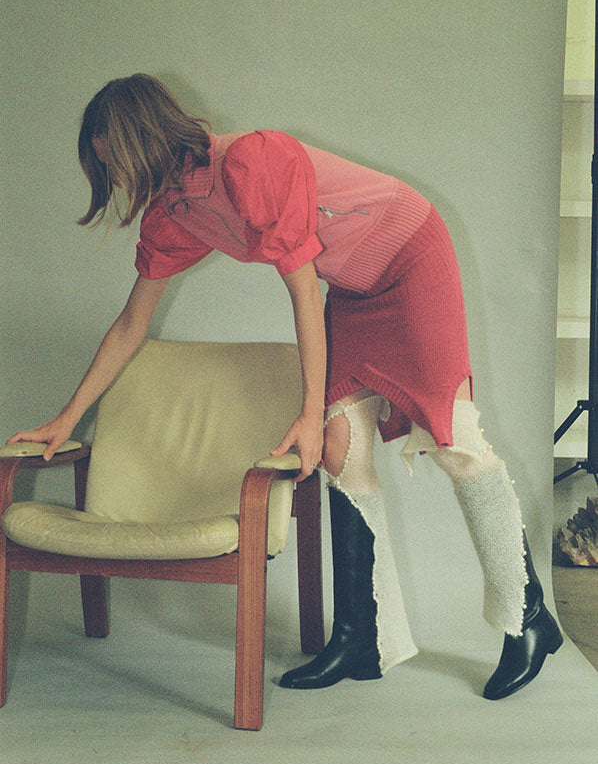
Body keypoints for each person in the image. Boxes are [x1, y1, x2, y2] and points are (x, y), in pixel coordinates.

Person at [7, 73, 563, 700]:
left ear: (137, 137)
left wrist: (306, 411)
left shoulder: (250, 161)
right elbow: (131, 323)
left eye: (111, 159)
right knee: (341, 450)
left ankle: (527, 619)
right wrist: (67, 418)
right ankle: (362, 637)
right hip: (353, 288)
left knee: (456, 439)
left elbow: (300, 290)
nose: (114, 177)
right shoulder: (175, 213)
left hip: (409, 256)